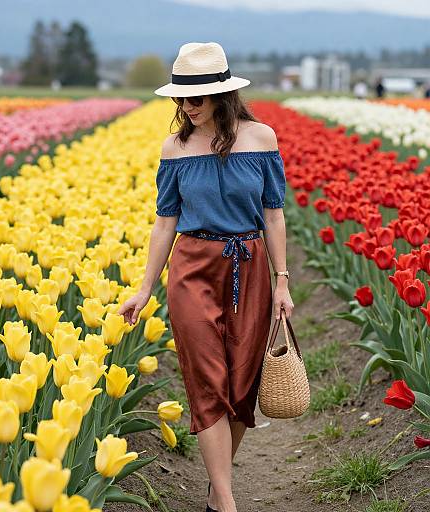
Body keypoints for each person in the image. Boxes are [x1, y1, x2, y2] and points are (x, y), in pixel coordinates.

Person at [118, 41, 294, 512]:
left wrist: (282, 282)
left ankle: (217, 489)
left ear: (221, 94)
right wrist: (144, 288)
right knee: (207, 381)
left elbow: (274, 217)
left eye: (195, 98)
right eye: (180, 98)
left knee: (242, 385)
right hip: (192, 268)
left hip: (250, 266)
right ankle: (227, 500)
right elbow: (164, 222)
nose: (186, 107)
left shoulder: (261, 139)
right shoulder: (174, 148)